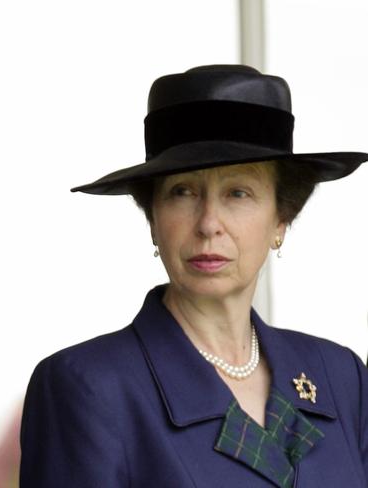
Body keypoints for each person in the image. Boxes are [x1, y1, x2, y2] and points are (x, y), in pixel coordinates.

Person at [20, 65, 368, 487]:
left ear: (282, 217)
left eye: (238, 192)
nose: (208, 223)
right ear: (153, 219)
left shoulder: (340, 375)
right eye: (182, 192)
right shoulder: (88, 387)